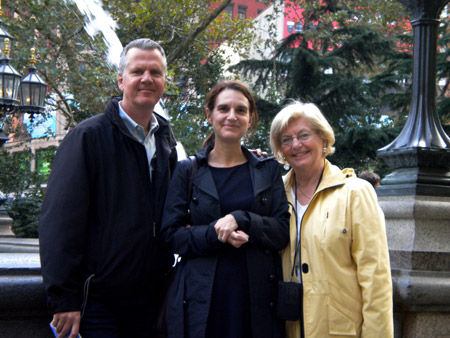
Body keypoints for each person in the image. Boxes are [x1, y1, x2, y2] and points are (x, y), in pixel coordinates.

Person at [39, 38, 177, 338]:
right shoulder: (87, 137)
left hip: (152, 300)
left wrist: (246, 159)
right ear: (121, 80)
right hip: (98, 304)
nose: (146, 79)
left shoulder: (167, 142)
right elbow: (59, 222)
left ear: (165, 81)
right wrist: (64, 299)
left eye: (155, 72)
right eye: (137, 71)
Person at [161, 80, 290, 338]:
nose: (232, 116)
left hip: (258, 299)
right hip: (201, 300)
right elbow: (171, 236)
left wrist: (241, 219)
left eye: (241, 110)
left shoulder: (267, 169)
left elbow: (281, 232)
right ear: (209, 115)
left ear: (251, 118)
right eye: (223, 109)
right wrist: (215, 233)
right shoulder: (188, 171)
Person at [270, 101, 393, 338]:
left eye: (304, 135)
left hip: (339, 331)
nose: (296, 145)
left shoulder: (354, 193)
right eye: (286, 139)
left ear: (324, 139)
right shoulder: (274, 195)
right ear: (281, 149)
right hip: (287, 328)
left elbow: (376, 278)